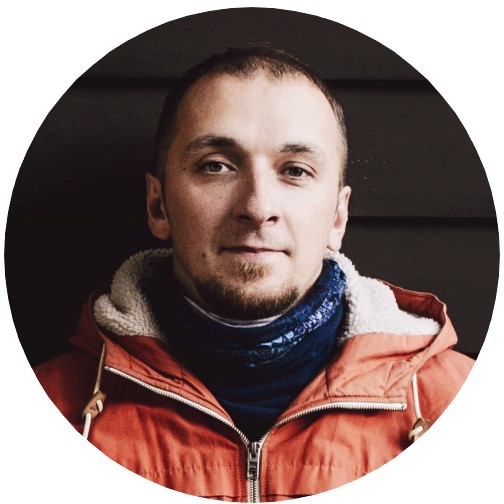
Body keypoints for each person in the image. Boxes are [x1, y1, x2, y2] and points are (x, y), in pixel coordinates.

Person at [34, 44, 473, 502]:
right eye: (216, 166)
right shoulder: (48, 408)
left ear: (338, 217)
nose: (258, 207)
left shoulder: (459, 404)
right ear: (158, 205)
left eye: (295, 171)